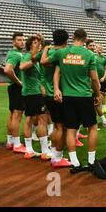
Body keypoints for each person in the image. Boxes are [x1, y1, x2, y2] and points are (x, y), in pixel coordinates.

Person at [49, 28, 101, 173]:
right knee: (92, 128)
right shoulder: (89, 54)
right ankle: (91, 160)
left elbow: (51, 68)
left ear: (72, 37)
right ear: (85, 39)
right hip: (84, 96)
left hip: (68, 96)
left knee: (70, 129)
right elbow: (95, 79)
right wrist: (97, 94)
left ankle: (75, 162)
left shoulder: (62, 53)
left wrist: (56, 89)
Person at [40, 29, 72, 168]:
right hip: (58, 94)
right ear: (66, 40)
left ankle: (54, 155)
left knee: (56, 125)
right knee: (61, 127)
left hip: (48, 93)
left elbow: (41, 61)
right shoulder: (62, 53)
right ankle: (57, 158)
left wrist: (45, 47)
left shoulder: (49, 52)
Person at [19, 35, 52, 160]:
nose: (37, 44)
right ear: (29, 45)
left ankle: (29, 150)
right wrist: (34, 61)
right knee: (41, 119)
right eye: (34, 42)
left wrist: (41, 40)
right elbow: (22, 67)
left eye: (38, 43)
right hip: (32, 93)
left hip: (33, 92)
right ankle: (44, 151)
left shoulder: (37, 57)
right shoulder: (28, 56)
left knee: (30, 119)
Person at [3, 32, 27, 154]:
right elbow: (7, 69)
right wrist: (19, 83)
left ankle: (10, 141)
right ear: (13, 42)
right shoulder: (16, 55)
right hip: (16, 88)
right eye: (19, 40)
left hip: (12, 88)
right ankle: (17, 144)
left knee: (12, 114)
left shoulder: (14, 53)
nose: (22, 42)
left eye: (23, 39)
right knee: (17, 115)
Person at [86, 40, 106, 128]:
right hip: (87, 84)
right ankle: (90, 125)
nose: (93, 47)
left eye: (94, 46)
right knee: (89, 104)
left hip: (93, 83)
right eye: (91, 45)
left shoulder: (93, 56)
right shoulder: (87, 56)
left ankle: (102, 121)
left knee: (96, 102)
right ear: (86, 46)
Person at [95, 44, 106, 114]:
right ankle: (97, 109)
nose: (100, 49)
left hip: (102, 79)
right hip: (95, 79)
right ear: (96, 49)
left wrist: (104, 77)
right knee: (96, 95)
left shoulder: (105, 58)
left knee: (104, 93)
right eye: (98, 48)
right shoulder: (93, 57)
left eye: (101, 48)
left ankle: (104, 108)